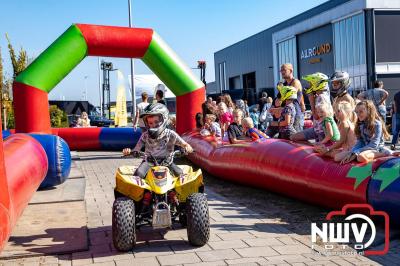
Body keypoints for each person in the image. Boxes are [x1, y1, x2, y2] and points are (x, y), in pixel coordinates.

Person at [122, 103, 193, 178]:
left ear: (164, 119)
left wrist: (188, 148)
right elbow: (136, 149)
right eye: (150, 123)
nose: (153, 125)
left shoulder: (170, 134)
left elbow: (185, 144)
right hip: (148, 162)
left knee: (180, 174)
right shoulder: (145, 135)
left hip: (167, 162)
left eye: (156, 122)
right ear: (147, 124)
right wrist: (130, 151)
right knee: (138, 174)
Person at [341, 100, 394, 164]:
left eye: (361, 112)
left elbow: (374, 145)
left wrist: (357, 152)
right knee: (338, 157)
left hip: (376, 149)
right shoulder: (360, 124)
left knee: (360, 157)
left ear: (369, 111)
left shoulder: (377, 124)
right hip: (365, 148)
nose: (358, 114)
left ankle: (385, 154)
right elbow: (360, 141)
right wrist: (352, 152)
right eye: (357, 112)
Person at [290, 73, 331, 143]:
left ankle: (310, 150)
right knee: (294, 137)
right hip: (317, 128)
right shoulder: (321, 96)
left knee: (294, 137)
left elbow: (317, 116)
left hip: (321, 131)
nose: (309, 86)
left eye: (311, 83)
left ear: (317, 84)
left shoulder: (321, 97)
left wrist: (311, 99)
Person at [280, 63, 305, 132]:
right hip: (289, 115)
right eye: (281, 70)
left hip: (296, 115)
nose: (282, 72)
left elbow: (289, 96)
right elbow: (301, 95)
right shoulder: (285, 84)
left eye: (284, 70)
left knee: (297, 140)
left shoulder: (295, 82)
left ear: (291, 71)